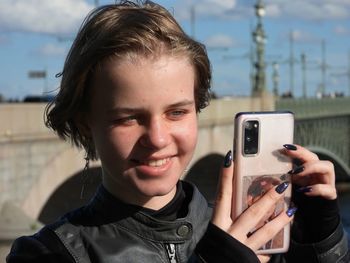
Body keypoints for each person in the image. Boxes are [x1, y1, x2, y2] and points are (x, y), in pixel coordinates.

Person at [7, 1, 349, 262]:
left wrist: (319, 241)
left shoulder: (251, 228)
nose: (157, 138)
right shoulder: (47, 254)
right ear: (85, 122)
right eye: (128, 118)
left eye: (177, 112)